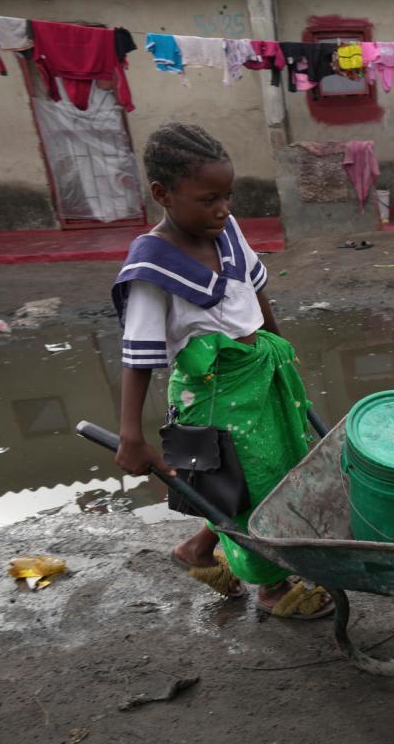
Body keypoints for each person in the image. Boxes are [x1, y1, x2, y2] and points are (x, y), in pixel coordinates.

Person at [111, 122, 332, 620]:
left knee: (274, 472)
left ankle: (196, 549)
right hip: (215, 394)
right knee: (247, 481)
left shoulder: (224, 229)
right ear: (163, 194)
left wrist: (281, 344)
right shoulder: (152, 267)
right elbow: (138, 353)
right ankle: (271, 589)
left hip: (262, 374)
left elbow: (256, 290)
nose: (223, 207)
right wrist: (131, 435)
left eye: (228, 196)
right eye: (209, 198)